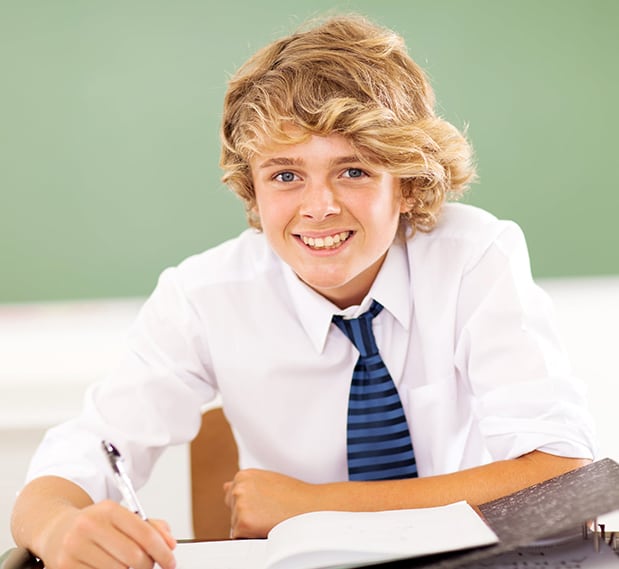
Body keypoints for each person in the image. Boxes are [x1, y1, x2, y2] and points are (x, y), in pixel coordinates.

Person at [11, 13, 595, 569]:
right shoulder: (203, 295)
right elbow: (80, 457)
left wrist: (313, 504)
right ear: (253, 190)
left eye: (354, 170)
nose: (319, 207)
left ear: (410, 185)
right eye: (286, 175)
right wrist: (59, 528)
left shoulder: (474, 258)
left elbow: (565, 473)